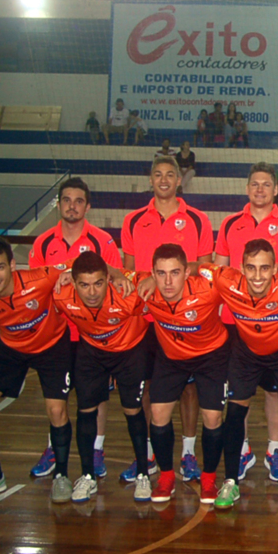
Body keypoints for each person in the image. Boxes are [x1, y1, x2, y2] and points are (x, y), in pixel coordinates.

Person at [192, 242, 278, 509]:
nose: (258, 276)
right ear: (241, 268)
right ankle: (231, 481)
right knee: (234, 412)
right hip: (246, 352)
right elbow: (197, 268)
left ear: (275, 268)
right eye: (251, 268)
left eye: (265, 268)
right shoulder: (227, 280)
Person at [0, 238, 81, 503]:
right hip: (11, 347)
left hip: (52, 344)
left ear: (13, 265)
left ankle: (61, 476)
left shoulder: (39, 279)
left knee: (57, 410)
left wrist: (71, 272)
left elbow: (77, 263)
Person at [121, 155, 213, 483]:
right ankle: (148, 456)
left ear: (178, 181)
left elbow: (204, 268)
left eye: (169, 175)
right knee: (147, 386)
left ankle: (188, 453)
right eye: (157, 174)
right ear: (150, 179)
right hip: (145, 319)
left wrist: (163, 277)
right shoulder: (133, 220)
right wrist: (145, 279)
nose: (163, 180)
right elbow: (129, 271)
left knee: (189, 389)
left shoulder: (198, 219)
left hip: (184, 319)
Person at [214, 163, 278, 481]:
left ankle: (274, 449)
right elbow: (220, 270)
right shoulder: (229, 224)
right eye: (255, 184)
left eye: (266, 184)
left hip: (274, 322)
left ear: (276, 190)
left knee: (274, 392)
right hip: (235, 320)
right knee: (239, 393)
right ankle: (242, 451)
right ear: (247, 187)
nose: (260, 190)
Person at [28, 177, 123, 480]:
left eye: (78, 200)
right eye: (66, 200)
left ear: (88, 206)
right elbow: (35, 287)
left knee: (96, 395)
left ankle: (96, 449)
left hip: (92, 335)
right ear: (59, 204)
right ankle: (53, 448)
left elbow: (116, 282)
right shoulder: (43, 242)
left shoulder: (102, 241)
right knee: (57, 395)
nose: (72, 206)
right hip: (56, 334)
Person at [128, 244, 228, 504]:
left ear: (186, 272)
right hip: (172, 356)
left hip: (211, 355)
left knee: (213, 417)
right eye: (160, 273)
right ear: (152, 273)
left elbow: (232, 276)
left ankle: (208, 479)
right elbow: (113, 273)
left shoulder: (208, 287)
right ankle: (166, 477)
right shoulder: (146, 289)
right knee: (158, 414)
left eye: (175, 272)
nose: (168, 281)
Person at [54, 252, 152, 503]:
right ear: (73, 283)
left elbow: (158, 280)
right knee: (85, 409)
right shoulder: (61, 293)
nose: (92, 292)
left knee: (133, 409)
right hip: (92, 351)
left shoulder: (127, 292)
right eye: (84, 285)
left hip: (130, 350)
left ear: (108, 279)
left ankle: (143, 473)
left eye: (98, 283)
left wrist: (142, 277)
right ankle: (87, 476)